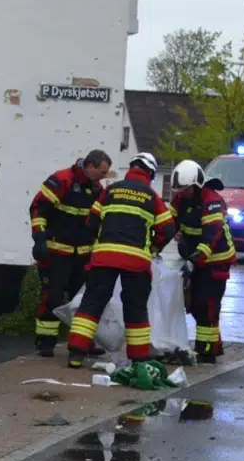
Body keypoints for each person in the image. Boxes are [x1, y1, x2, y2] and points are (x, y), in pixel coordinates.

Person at [65, 152, 175, 367]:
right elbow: (168, 228)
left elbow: (91, 221)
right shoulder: (152, 196)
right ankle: (139, 356)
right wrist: (154, 247)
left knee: (92, 303)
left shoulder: (110, 190)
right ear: (151, 173)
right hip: (136, 262)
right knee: (135, 306)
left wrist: (102, 242)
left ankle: (76, 354)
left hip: (104, 257)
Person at [28, 150, 111, 357]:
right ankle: (45, 342)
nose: (103, 177)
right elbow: (38, 209)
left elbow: (98, 221)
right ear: (90, 166)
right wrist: (39, 239)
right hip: (56, 252)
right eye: (102, 172)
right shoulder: (61, 180)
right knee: (52, 296)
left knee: (83, 301)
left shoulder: (96, 188)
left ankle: (82, 343)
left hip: (83, 256)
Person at [170, 160, 236, 364]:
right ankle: (213, 346)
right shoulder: (180, 199)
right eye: (180, 190)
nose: (183, 193)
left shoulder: (212, 200)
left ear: (197, 184)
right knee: (196, 304)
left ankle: (206, 351)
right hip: (197, 259)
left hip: (216, 261)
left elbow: (212, 236)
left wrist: (194, 260)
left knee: (206, 305)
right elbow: (168, 222)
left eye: (187, 189)